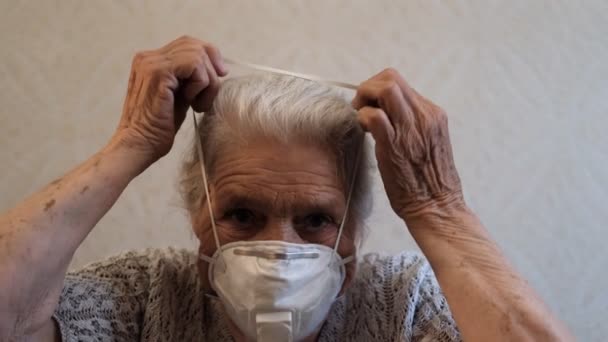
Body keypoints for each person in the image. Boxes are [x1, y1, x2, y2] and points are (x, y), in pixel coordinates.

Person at [0, 36, 573, 342]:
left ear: (353, 230)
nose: (279, 249)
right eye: (242, 215)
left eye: (317, 220)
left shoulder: (402, 303)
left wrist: (438, 209)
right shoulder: (144, 296)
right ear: (199, 212)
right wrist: (131, 142)